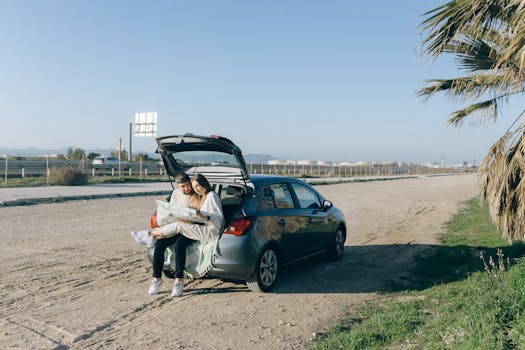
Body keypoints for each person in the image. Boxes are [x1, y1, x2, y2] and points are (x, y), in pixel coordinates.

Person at [149, 173, 224, 297]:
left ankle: (179, 281)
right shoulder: (177, 194)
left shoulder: (202, 195)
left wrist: (195, 218)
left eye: (190, 185)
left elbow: (209, 217)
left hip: (195, 227)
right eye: (183, 186)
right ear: (178, 187)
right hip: (181, 225)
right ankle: (156, 279)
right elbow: (172, 211)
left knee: (180, 244)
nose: (189, 189)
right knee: (160, 244)